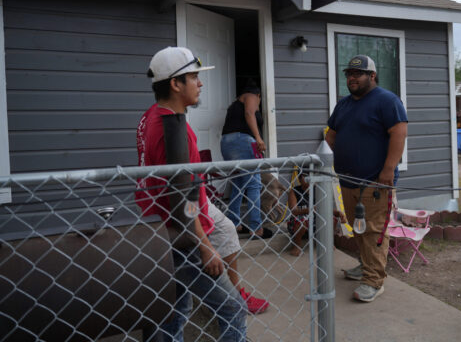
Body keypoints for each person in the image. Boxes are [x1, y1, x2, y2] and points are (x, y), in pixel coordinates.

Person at [135, 47, 264, 341]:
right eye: (194, 77)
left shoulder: (151, 117)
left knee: (175, 310)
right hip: (180, 234)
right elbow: (185, 198)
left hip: (162, 226)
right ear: (175, 84)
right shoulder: (172, 130)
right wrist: (204, 245)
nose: (200, 83)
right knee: (232, 308)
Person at [325, 54, 408, 303]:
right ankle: (365, 266)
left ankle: (374, 281)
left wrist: (388, 170)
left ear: (372, 76)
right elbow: (331, 135)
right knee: (357, 227)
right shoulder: (344, 104)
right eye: (349, 74)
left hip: (375, 183)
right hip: (347, 181)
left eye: (357, 74)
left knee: (373, 231)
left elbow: (399, 133)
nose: (351, 78)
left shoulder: (387, 101)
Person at [220, 81, 273, 239]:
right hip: (243, 142)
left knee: (238, 182)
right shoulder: (251, 95)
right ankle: (256, 227)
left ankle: (234, 223)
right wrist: (258, 138)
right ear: (258, 95)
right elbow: (249, 113)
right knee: (254, 183)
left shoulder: (234, 105)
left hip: (226, 143)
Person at [286, 170, 347, 256]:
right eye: (305, 176)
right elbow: (294, 211)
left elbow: (325, 208)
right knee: (301, 221)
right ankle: (296, 245)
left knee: (331, 219)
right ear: (299, 179)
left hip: (316, 222)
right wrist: (309, 209)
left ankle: (328, 242)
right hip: (299, 223)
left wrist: (337, 213)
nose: (309, 179)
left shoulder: (318, 190)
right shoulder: (294, 191)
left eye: (312, 176)